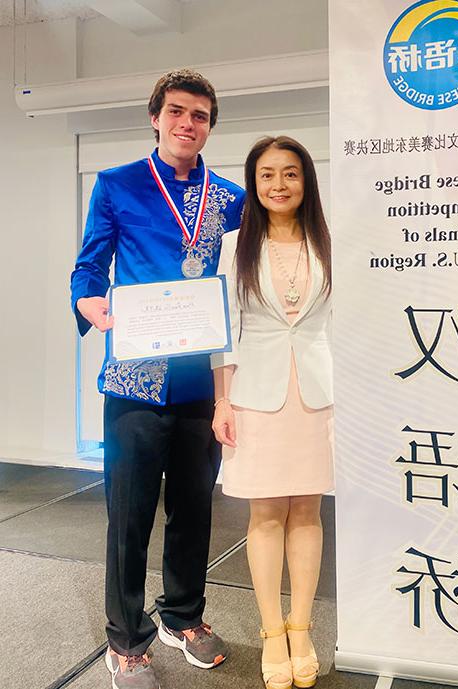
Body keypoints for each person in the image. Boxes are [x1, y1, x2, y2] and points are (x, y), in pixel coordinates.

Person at [70, 69, 245, 689]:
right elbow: (89, 267)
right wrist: (89, 303)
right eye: (177, 111)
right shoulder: (116, 186)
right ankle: (127, 642)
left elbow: (244, 278)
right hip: (135, 379)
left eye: (200, 115)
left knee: (196, 509)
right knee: (131, 513)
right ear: (156, 117)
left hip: (202, 382)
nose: (187, 123)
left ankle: (183, 616)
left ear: (209, 126)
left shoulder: (229, 198)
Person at [211, 136, 333, 689]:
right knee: (264, 515)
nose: (278, 185)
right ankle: (271, 633)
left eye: (289, 174)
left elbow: (344, 326)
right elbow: (224, 332)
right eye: (266, 175)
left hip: (318, 394)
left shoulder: (330, 242)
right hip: (254, 395)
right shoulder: (234, 243)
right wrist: (221, 400)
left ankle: (302, 627)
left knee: (307, 511)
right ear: (253, 183)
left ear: (305, 181)